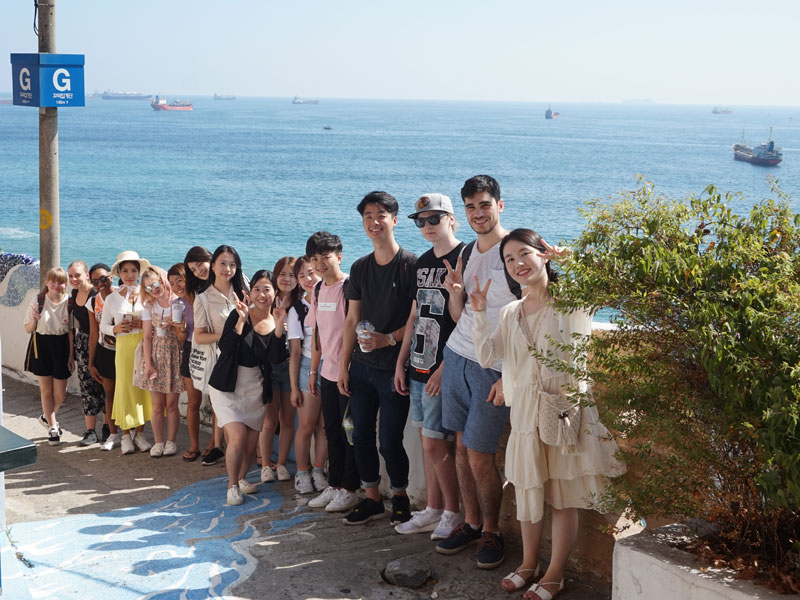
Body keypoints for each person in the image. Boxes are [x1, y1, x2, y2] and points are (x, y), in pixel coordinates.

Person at [470, 228, 625, 599]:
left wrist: (574, 259)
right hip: (525, 415)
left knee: (561, 498)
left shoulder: (571, 301)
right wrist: (477, 313)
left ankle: (555, 573)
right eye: (509, 259)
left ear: (543, 255)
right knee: (527, 493)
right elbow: (488, 357)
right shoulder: (510, 311)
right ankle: (528, 564)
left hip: (562, 412)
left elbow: (609, 282)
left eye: (525, 254)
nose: (518, 263)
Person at [436, 175, 518, 568]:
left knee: (480, 456)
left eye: (484, 205)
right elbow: (461, 315)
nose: (478, 213)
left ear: (500, 205)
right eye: (470, 207)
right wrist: (455, 294)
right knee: (460, 447)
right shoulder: (467, 252)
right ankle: (469, 524)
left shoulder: (515, 250)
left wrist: (510, 374)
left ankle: (492, 531)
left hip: (494, 367)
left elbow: (539, 313)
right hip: (457, 357)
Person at [337, 191, 416, 525]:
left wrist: (389, 339)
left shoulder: (411, 265)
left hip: (394, 370)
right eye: (368, 216)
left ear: (394, 220)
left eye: (381, 214)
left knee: (390, 441)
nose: (374, 222)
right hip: (362, 369)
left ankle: (399, 497)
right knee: (360, 436)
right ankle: (371, 498)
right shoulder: (360, 267)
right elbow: (352, 320)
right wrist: (343, 366)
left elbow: (416, 319)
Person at [393, 194, 464, 540]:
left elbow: (468, 321)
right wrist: (400, 361)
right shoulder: (420, 264)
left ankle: (452, 512)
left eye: (434, 219)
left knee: (437, 444)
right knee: (427, 442)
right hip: (418, 366)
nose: (427, 226)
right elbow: (413, 316)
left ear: (452, 219)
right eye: (420, 221)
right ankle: (434, 510)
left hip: (443, 370)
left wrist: (445, 367)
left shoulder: (464, 257)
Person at [208, 270, 288, 506]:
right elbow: (226, 346)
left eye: (267, 289)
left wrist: (280, 326)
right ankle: (232, 486)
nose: (262, 294)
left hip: (255, 388)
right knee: (238, 436)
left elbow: (275, 358)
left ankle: (242, 478)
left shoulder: (276, 319)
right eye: (257, 289)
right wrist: (242, 319)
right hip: (227, 385)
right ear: (249, 292)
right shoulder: (239, 313)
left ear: (275, 293)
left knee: (251, 448)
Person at [305, 231, 361, 513]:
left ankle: (351, 488)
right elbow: (317, 332)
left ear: (339, 256)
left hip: (348, 372)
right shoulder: (317, 289)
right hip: (326, 373)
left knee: (349, 431)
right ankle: (335, 484)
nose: (320, 263)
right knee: (331, 431)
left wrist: (343, 369)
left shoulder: (349, 287)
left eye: (325, 256)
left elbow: (354, 325)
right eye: (314, 259)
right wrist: (313, 371)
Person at [193, 245, 248, 466]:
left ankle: (248, 455)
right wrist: (228, 334)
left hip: (248, 359)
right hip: (223, 361)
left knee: (247, 408)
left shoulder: (244, 287)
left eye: (232, 264)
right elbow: (199, 336)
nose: (228, 269)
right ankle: (225, 454)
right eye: (223, 263)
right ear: (213, 265)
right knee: (226, 410)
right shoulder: (204, 299)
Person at [99, 251, 153, 455]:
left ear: (139, 272)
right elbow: (103, 324)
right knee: (124, 388)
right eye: (125, 271)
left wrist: (143, 324)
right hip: (123, 347)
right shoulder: (112, 298)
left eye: (133, 270)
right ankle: (125, 435)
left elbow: (154, 320)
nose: (129, 275)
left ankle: (140, 434)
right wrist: (115, 329)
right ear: (119, 273)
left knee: (142, 388)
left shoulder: (147, 295)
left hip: (143, 345)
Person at [134, 266, 184, 457]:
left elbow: (184, 333)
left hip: (174, 354)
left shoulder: (178, 303)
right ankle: (158, 442)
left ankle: (171, 441)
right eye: (148, 287)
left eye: (156, 283)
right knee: (156, 406)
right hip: (155, 354)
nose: (154, 289)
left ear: (163, 280)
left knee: (172, 404)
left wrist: (175, 324)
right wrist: (148, 363)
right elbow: (147, 336)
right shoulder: (149, 306)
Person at [287, 256, 328, 494]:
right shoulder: (298, 309)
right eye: (301, 276)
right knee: (306, 425)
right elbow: (294, 351)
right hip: (305, 367)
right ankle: (302, 472)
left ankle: (319, 470)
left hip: (330, 366)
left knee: (324, 427)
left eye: (310, 273)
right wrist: (294, 386)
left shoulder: (332, 298)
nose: (307, 279)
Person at [259, 257, 300, 483]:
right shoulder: (267, 299)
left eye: (292, 275)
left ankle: (282, 464)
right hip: (269, 368)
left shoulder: (302, 303)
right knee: (269, 420)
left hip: (292, 367)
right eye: (282, 274)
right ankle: (265, 464)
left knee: (287, 419)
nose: (287, 279)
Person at [184, 245, 225, 461]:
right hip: (200, 350)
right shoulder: (200, 293)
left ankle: (215, 444)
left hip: (223, 352)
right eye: (193, 269)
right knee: (200, 399)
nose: (198, 271)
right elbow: (200, 333)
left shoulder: (230, 283)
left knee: (218, 401)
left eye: (200, 264)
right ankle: (206, 444)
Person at [23, 267, 73, 446]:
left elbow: (70, 332)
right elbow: (28, 328)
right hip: (41, 345)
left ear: (65, 284)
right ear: (46, 282)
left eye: (60, 281)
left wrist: (71, 355)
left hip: (61, 346)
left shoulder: (69, 302)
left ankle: (46, 417)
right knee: (46, 391)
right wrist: (35, 319)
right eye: (53, 281)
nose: (56, 285)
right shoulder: (38, 300)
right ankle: (53, 428)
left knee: (60, 393)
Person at [67, 260, 106, 446]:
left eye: (77, 275)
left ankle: (108, 428)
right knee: (87, 387)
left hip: (100, 343)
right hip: (82, 343)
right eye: (71, 276)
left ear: (87, 275)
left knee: (104, 386)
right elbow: (72, 326)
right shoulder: (74, 294)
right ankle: (90, 431)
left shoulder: (95, 294)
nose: (74, 279)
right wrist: (71, 353)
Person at [168, 263, 203, 461]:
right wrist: (180, 330)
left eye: (179, 280)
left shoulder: (202, 299)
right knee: (193, 401)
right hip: (190, 349)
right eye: (172, 283)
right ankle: (194, 445)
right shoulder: (176, 305)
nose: (176, 286)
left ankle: (216, 443)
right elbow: (181, 339)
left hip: (210, 349)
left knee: (216, 403)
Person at [88, 263, 118, 448]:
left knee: (128, 393)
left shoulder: (122, 296)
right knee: (109, 395)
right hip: (105, 352)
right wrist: (91, 363)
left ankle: (131, 434)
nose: (100, 283)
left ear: (111, 277)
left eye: (103, 279)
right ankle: (113, 435)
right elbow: (93, 334)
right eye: (95, 281)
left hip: (125, 352)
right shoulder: (93, 301)